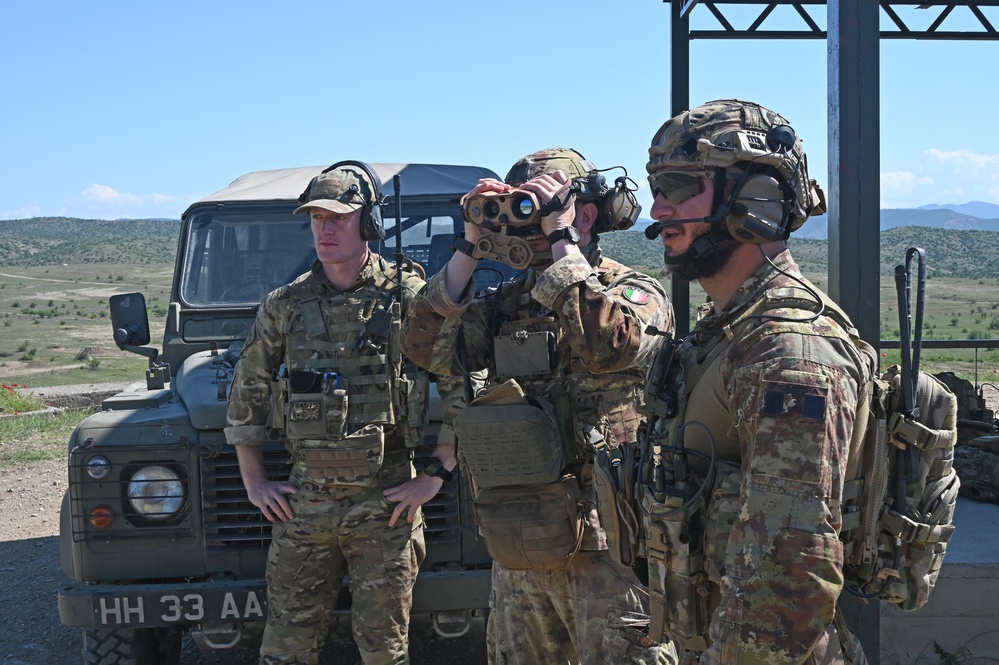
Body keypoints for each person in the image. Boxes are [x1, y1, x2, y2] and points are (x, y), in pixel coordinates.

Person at [402, 147, 677, 664]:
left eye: (539, 206)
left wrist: (559, 240)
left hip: (609, 545)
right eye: (517, 208)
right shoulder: (506, 303)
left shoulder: (632, 290)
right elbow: (423, 346)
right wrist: (470, 245)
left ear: (585, 214)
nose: (526, 224)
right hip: (523, 536)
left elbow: (607, 346)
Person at [640, 98, 870, 664]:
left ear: (755, 201)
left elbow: (790, 576)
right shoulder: (728, 334)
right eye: (656, 185)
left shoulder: (789, 354)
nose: (658, 206)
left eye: (677, 184)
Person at [225, 162, 458, 665]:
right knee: (285, 647)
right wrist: (253, 481)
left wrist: (436, 473)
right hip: (305, 504)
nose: (325, 229)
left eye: (338, 217)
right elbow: (249, 388)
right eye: (316, 218)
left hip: (387, 504)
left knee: (384, 651)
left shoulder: (407, 300)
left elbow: (463, 384)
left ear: (368, 223)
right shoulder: (284, 306)